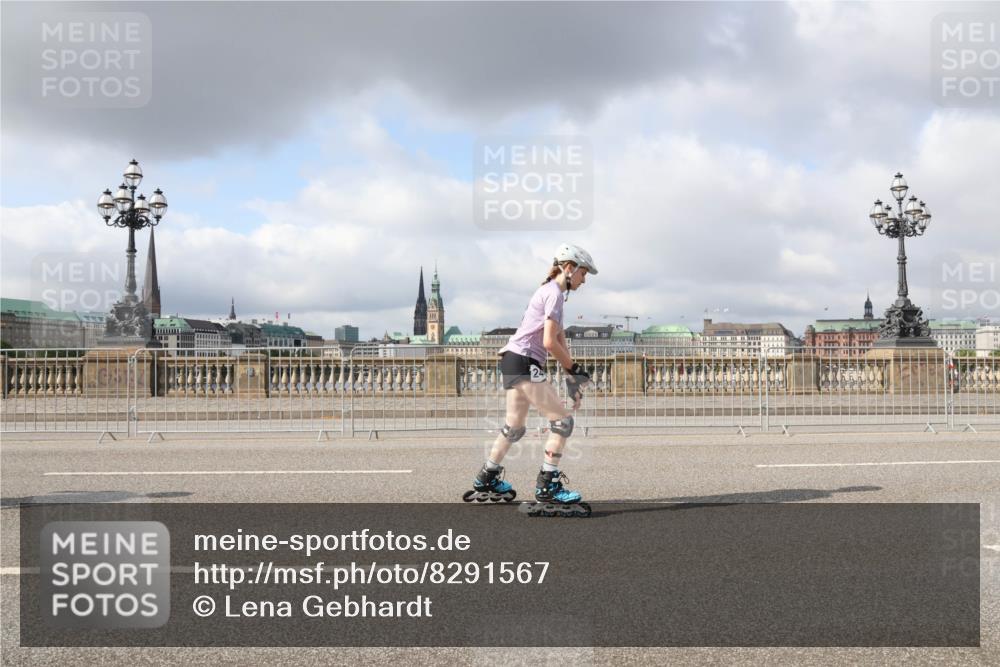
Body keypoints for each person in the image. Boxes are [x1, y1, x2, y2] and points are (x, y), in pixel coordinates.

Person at [462, 243, 597, 517]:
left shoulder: (550, 291)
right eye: (583, 273)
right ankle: (548, 486)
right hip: (525, 360)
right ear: (569, 268)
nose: (584, 280)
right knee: (563, 423)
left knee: (514, 427)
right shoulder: (554, 294)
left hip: (512, 359)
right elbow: (549, 342)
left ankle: (487, 477)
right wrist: (573, 369)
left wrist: (572, 373)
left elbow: (559, 339)